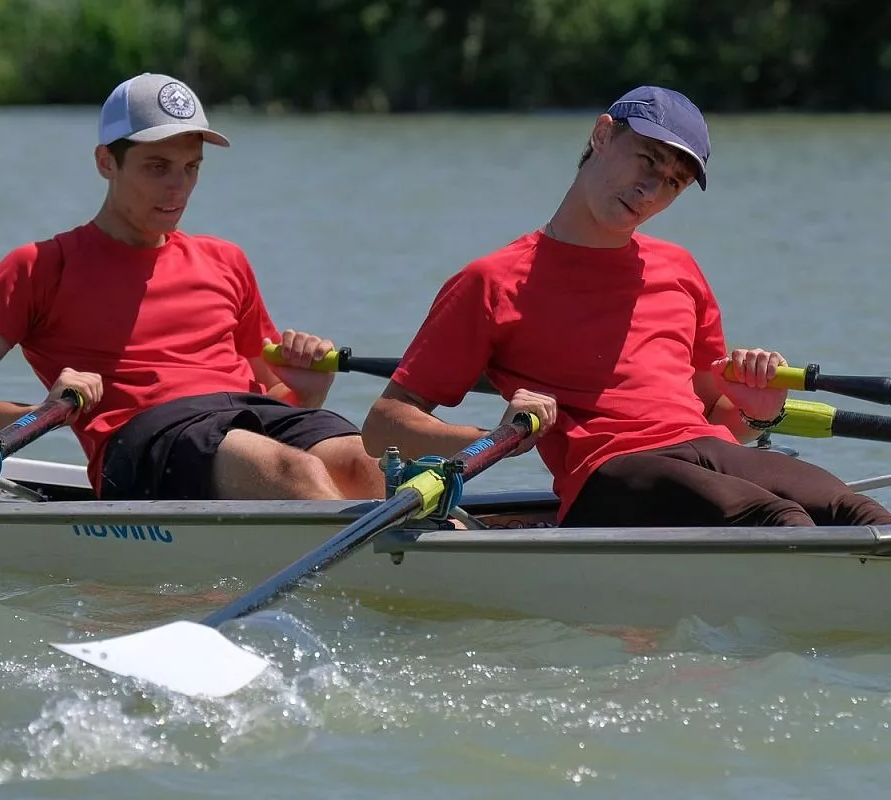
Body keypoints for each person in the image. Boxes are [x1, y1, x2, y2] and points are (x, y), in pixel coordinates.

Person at [362, 86, 891, 528]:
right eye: (647, 160)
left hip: (703, 450)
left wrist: (759, 411)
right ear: (601, 134)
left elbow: (720, 421)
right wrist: (494, 440)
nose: (650, 190)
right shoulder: (492, 281)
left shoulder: (680, 269)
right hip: (609, 473)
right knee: (779, 520)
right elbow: (383, 426)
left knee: (861, 513)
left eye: (673, 182)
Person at [0, 73, 383, 502]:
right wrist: (40, 412)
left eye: (191, 167)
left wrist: (306, 391)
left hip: (238, 424)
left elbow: (272, 399)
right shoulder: (39, 268)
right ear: (106, 162)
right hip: (142, 441)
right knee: (294, 472)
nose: (178, 187)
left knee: (367, 464)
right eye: (158, 166)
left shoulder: (226, 260)